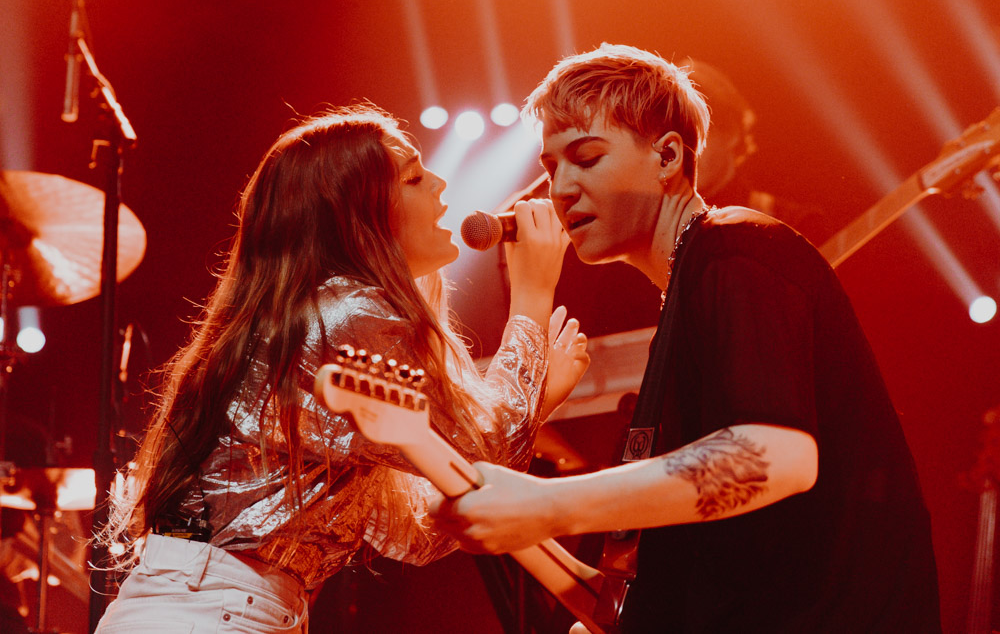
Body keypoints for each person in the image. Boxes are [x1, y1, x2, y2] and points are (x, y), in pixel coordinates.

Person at [431, 44, 941, 632]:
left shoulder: (739, 250)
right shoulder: (686, 294)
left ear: (668, 155)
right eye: (550, 168)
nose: (560, 189)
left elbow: (775, 458)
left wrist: (542, 505)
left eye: (587, 157)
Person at [94, 104, 589, 632]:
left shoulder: (314, 318)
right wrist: (533, 299)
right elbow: (482, 455)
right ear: (357, 214)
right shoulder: (343, 314)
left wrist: (535, 401)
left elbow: (414, 536)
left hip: (207, 604)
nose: (441, 185)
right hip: (211, 609)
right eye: (415, 176)